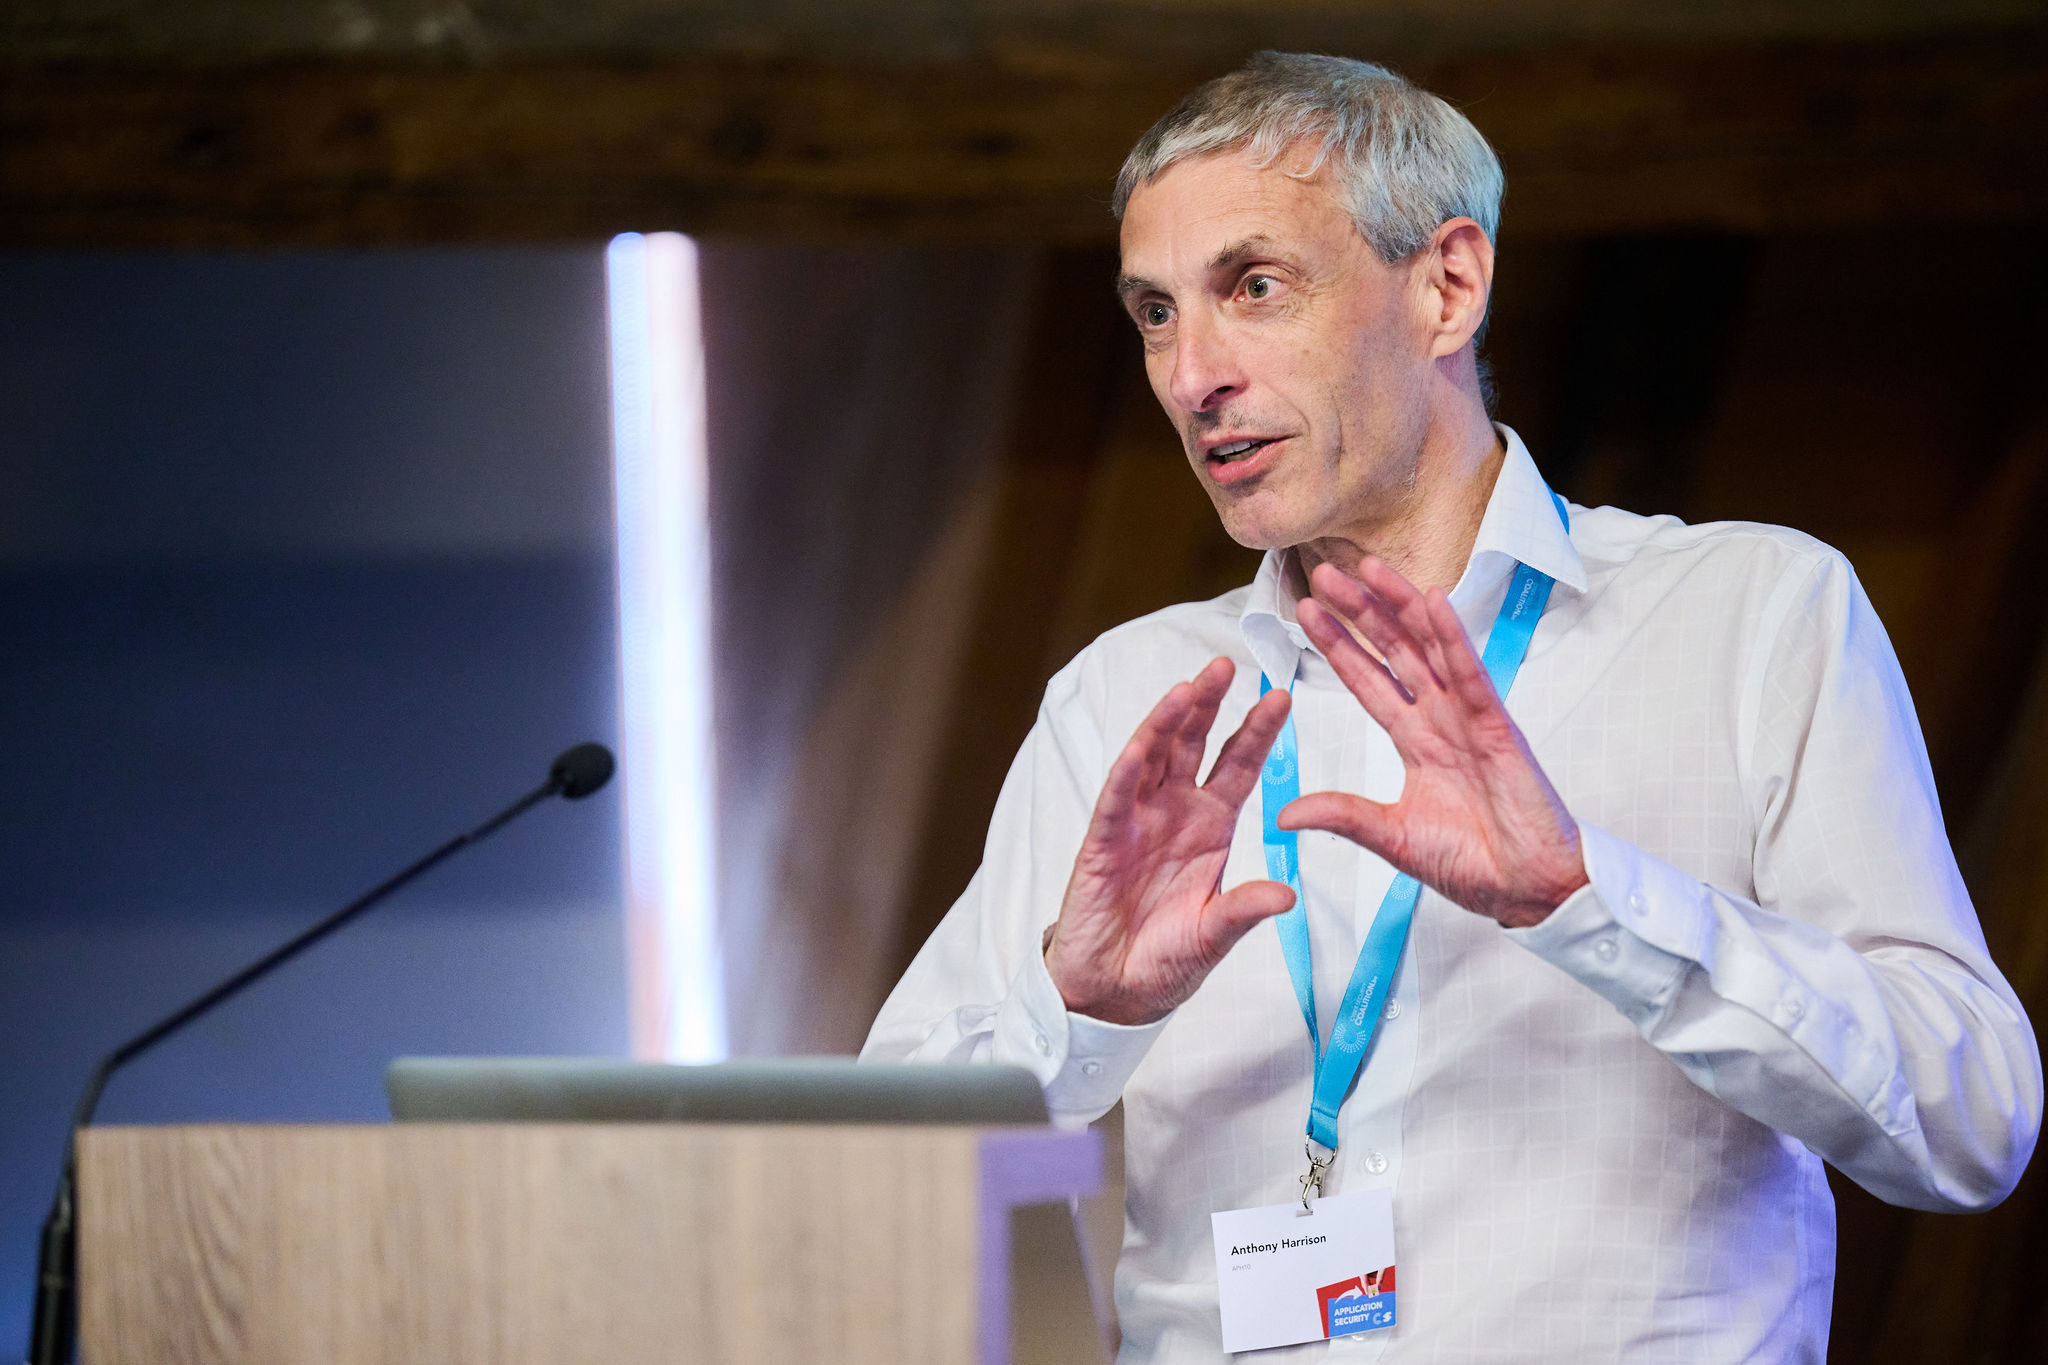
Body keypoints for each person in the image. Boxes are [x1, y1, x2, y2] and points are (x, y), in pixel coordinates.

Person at [861, 51, 2041, 1362]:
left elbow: (1973, 1124)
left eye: (1255, 287)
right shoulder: (1127, 696)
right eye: (1154, 311)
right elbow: (865, 1190)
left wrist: (1593, 901)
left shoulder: (1752, 613)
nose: (1191, 374)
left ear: (1448, 287)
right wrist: (1076, 1011)